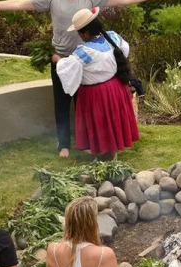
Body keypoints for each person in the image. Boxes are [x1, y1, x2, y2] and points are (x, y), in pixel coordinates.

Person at [0, 0, 173, 158]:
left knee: (85, 105)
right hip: (62, 59)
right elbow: (19, 4)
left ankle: (89, 142)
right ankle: (63, 145)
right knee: (61, 103)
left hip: (88, 64)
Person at [55, 8, 139, 157]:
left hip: (97, 92)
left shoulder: (85, 52)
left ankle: (105, 150)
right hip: (116, 86)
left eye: (80, 33)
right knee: (112, 118)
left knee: (101, 121)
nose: (80, 36)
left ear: (86, 33)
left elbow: (67, 69)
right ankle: (112, 148)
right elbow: (124, 51)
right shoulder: (113, 37)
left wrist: (58, 60)